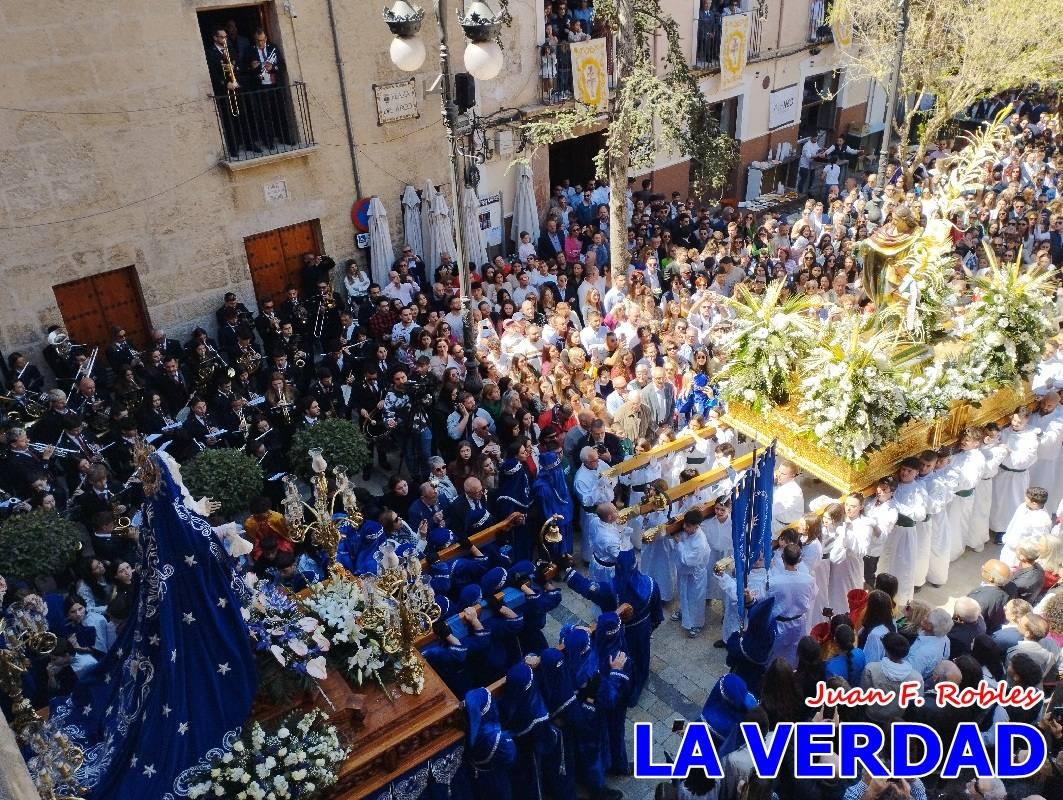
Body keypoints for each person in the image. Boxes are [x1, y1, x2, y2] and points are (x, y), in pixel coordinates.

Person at [768, 543, 815, 667]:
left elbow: (766, 601)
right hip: (799, 623)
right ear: (799, 559)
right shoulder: (809, 580)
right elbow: (813, 595)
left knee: (776, 656)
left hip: (780, 625)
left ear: (782, 558)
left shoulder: (774, 582)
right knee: (795, 655)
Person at [672, 509, 712, 638]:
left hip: (695, 575)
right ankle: (683, 612)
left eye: (688, 526)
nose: (684, 527)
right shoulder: (688, 532)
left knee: (695, 599)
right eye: (685, 524)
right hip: (685, 573)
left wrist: (679, 544)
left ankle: (696, 624)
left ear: (696, 526)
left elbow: (688, 560)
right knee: (683, 594)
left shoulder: (700, 542)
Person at [771, 461, 804, 535]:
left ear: (792, 476)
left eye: (783, 474)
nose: (779, 475)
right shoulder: (781, 482)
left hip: (783, 528)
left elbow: (773, 509)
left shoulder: (794, 493)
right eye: (779, 471)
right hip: (774, 521)